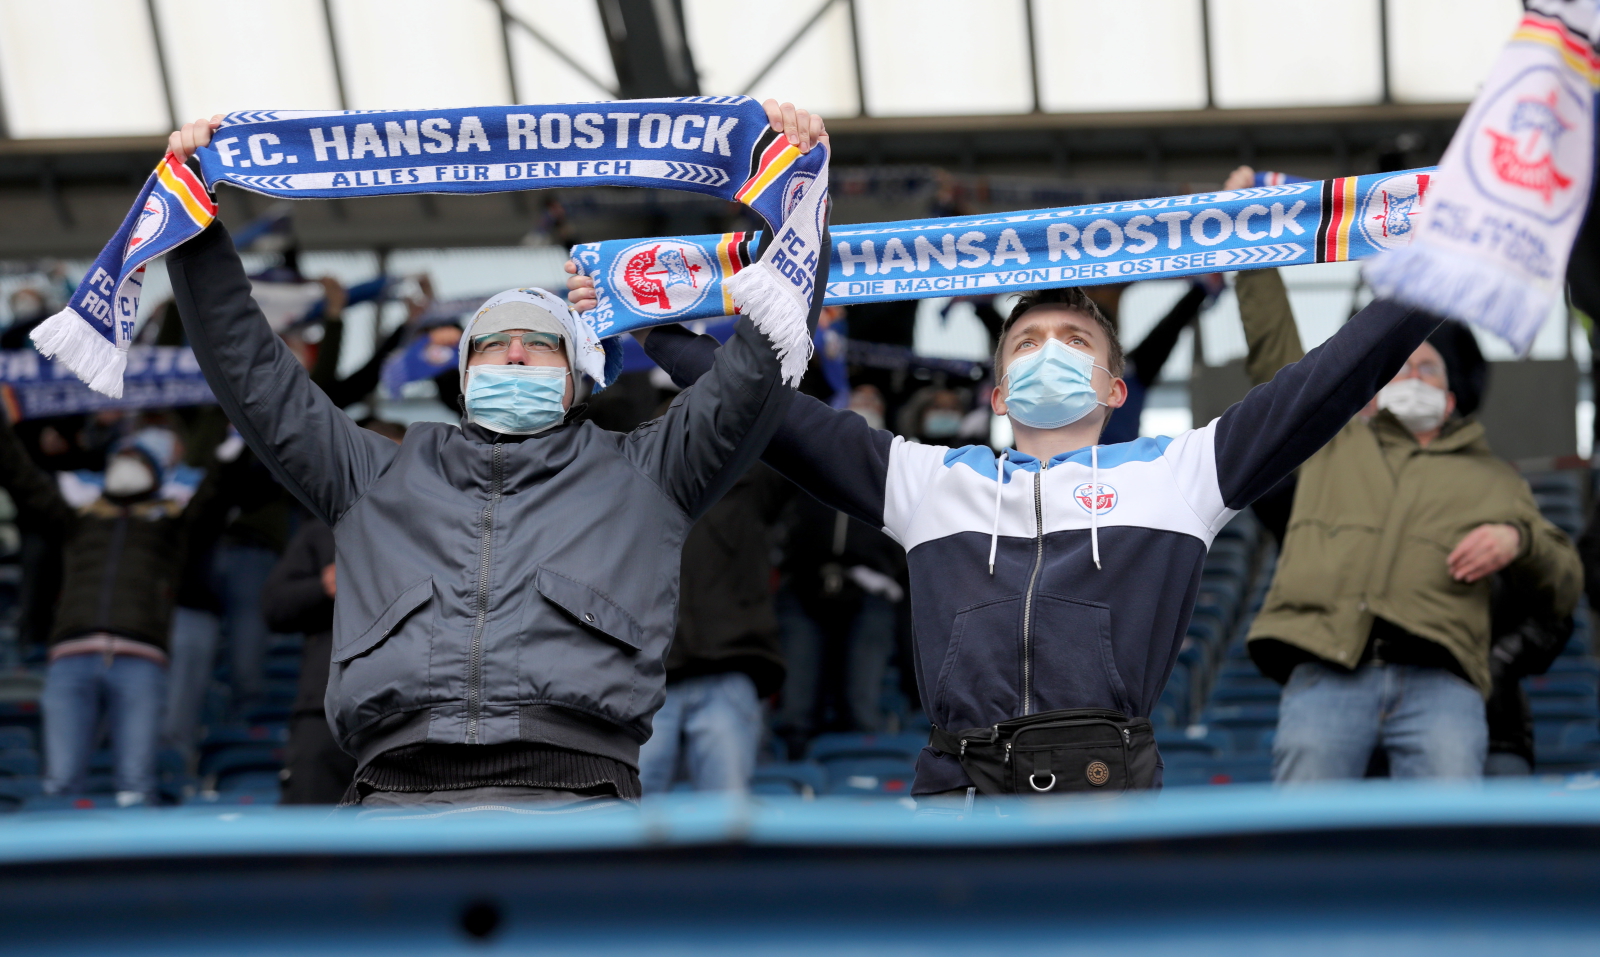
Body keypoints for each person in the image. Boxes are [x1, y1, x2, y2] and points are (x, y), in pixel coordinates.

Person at [573, 238, 1448, 803]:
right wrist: (644, 317)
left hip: (1108, 790)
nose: (1048, 352)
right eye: (1026, 344)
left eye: (1074, 341)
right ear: (997, 394)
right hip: (955, 789)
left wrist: (1440, 266)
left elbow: (1329, 377)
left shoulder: (1184, 475)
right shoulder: (928, 480)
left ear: (1116, 388)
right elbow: (768, 410)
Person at [163, 101, 828, 809]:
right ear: (465, 374)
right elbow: (252, 373)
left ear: (575, 380)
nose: (515, 350)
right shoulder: (373, 473)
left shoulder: (647, 471)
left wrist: (794, 195)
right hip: (391, 802)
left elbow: (760, 362)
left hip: (581, 801)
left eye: (540, 342)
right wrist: (193, 220)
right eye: (492, 343)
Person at [1226, 167, 1583, 782]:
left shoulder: (1496, 479)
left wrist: (1518, 541)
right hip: (1326, 673)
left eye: (1427, 368)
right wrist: (1250, 238)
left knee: (1446, 844)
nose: (1411, 376)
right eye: (1398, 368)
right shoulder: (1331, 445)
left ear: (1451, 399)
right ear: (1370, 390)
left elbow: (1565, 580)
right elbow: (1274, 354)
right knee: (1308, 838)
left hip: (1443, 683)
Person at [0, 419, 215, 805]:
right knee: (60, 784)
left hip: (141, 661)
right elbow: (21, 477)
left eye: (137, 458)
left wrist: (236, 443)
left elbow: (220, 489)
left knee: (135, 786)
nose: (126, 463)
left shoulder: (172, 524)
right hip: (70, 660)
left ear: (155, 473)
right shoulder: (79, 518)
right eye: (121, 456)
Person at [639, 463, 790, 795]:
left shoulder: (752, 482)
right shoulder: (635, 484)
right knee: (627, 814)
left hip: (728, 665)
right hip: (648, 675)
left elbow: (789, 428)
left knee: (726, 815)